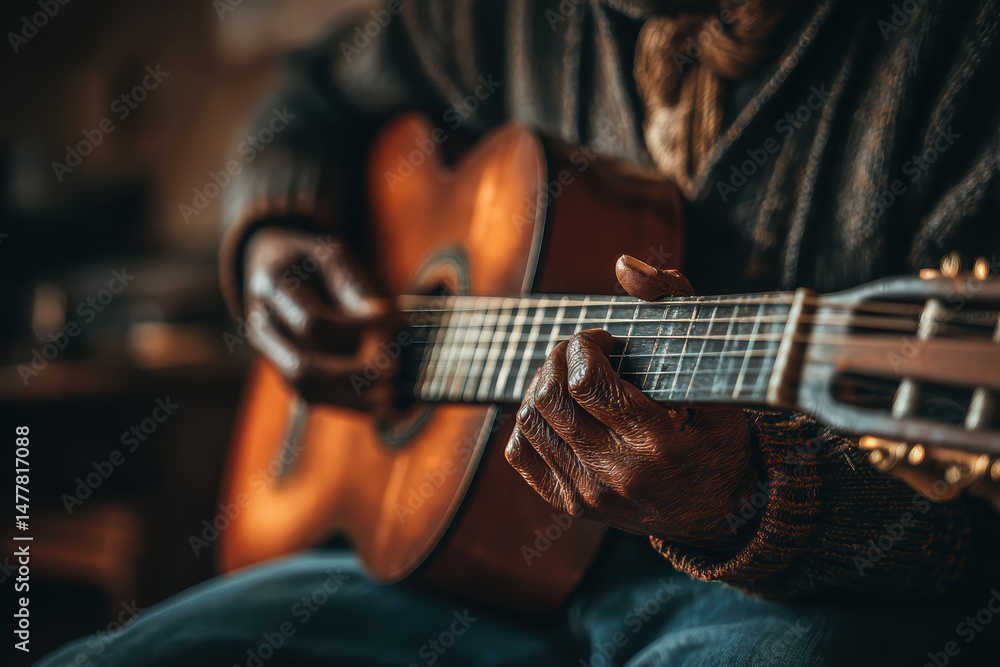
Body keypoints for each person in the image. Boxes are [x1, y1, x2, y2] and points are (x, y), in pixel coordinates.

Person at [38, 0, 1000, 665]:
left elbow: (967, 543)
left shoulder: (955, 53)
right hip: (463, 570)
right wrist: (275, 241)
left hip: (772, 607)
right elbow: (309, 97)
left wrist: (738, 497)